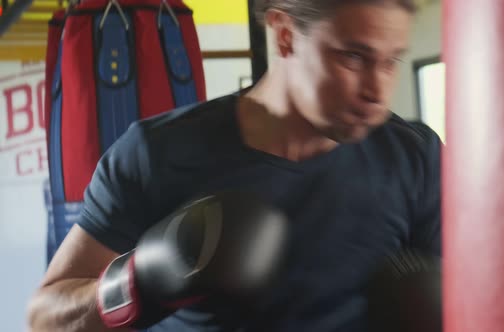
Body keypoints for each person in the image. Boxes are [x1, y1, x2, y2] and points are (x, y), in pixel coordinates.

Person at [27, 0, 441, 331]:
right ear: (285, 35)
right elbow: (45, 319)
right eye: (353, 57)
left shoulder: (413, 156)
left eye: (391, 62)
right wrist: (142, 280)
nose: (377, 90)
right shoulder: (156, 153)